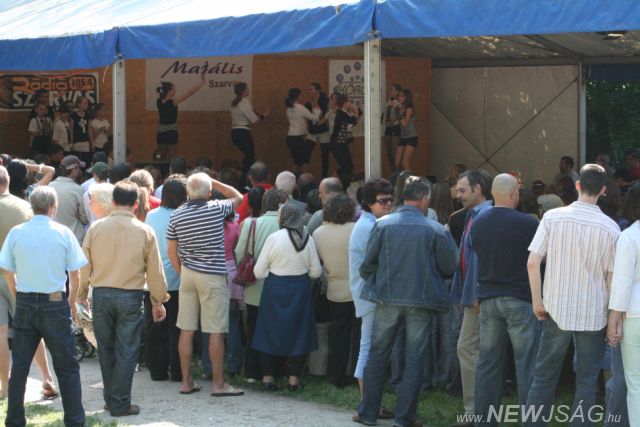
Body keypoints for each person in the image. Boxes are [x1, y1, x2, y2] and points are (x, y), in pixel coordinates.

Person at [355, 176, 458, 427]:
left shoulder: (382, 225)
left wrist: (379, 282)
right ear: (424, 199)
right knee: (415, 358)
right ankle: (404, 417)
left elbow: (367, 264)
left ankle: (368, 413)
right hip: (421, 301)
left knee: (378, 354)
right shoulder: (436, 229)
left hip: (387, 298)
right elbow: (450, 266)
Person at [526, 164, 620, 426]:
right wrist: (611, 317)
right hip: (593, 313)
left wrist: (537, 301)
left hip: (556, 308)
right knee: (587, 382)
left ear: (578, 185)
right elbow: (611, 279)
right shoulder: (611, 229)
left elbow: (533, 262)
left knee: (544, 377)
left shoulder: (552, 218)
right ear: (603, 190)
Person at [79, 181, 168, 416]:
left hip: (101, 294)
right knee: (127, 351)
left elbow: (84, 266)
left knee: (106, 349)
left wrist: (81, 294)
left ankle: (112, 399)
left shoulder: (95, 229)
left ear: (113, 201)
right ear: (136, 204)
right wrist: (158, 301)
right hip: (130, 296)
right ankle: (120, 402)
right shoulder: (144, 230)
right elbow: (155, 271)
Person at [0, 186, 87, 427]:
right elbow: (76, 273)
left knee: (20, 367)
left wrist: (17, 294)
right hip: (55, 301)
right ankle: (75, 421)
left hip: (26, 301)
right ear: (53, 207)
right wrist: (71, 301)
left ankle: (14, 420)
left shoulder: (17, 233)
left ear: (32, 206)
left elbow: (7, 271)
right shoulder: (63, 232)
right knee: (67, 367)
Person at [166, 173, 244, 396]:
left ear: (187, 192)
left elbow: (171, 252)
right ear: (209, 193)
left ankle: (186, 382)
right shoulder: (216, 208)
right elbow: (238, 197)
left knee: (186, 329)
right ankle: (219, 384)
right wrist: (214, 181)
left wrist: (182, 272)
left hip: (188, 275)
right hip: (213, 275)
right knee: (215, 331)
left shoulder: (177, 214)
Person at [471, 174, 540, 424]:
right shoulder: (528, 223)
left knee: (488, 363)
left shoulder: (478, 221)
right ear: (513, 194)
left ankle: (484, 420)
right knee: (527, 363)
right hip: (520, 299)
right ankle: (530, 420)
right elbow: (539, 261)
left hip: (489, 298)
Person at [0, 166, 61, 402]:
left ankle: (5, 386)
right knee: (32, 330)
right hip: (21, 276)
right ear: (8, 181)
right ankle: (46, 377)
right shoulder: (24, 207)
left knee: (1, 332)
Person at [252, 203, 322, 390]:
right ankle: (294, 380)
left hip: (275, 289)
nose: (277, 217)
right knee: (300, 332)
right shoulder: (308, 238)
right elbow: (316, 272)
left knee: (268, 331)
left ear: (285, 218)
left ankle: (268, 378)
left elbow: (258, 272)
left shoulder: (274, 238)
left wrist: (274, 273)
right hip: (300, 290)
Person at [349, 178, 394, 418]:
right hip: (370, 296)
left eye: (390, 200)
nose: (388, 204)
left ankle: (370, 404)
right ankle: (368, 405)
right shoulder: (368, 227)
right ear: (368, 203)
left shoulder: (370, 223)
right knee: (368, 347)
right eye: (383, 201)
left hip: (370, 294)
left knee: (371, 347)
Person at [450, 170, 492, 424]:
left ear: (478, 189)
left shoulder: (483, 216)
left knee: (467, 348)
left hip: (478, 297)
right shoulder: (472, 215)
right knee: (473, 350)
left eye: (463, 190)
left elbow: (479, 260)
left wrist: (473, 295)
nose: (458, 195)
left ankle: (475, 412)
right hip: (473, 296)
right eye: (457, 190)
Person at [235, 189, 289, 382]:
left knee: (254, 330)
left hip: (254, 287)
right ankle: (275, 372)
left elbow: (239, 253)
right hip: (280, 287)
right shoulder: (288, 225)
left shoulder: (251, 223)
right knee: (277, 331)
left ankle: (252, 372)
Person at [145, 175, 188, 382]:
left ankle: (157, 371)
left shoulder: (151, 215)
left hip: (153, 280)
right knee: (177, 328)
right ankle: (178, 372)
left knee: (154, 328)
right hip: (177, 279)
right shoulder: (182, 216)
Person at [313, 193, 357, 388]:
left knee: (338, 334)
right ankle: (356, 375)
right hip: (357, 289)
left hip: (334, 289)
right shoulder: (356, 229)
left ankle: (336, 375)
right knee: (359, 335)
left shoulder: (318, 233)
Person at [605, 182, 640, 427]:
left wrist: (613, 320)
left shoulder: (629, 236)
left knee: (635, 383)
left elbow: (622, 282)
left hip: (635, 314)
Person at [156, 72, 206, 161]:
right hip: (171, 132)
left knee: (160, 157)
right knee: (171, 157)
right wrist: (202, 82)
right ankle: (170, 169)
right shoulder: (173, 102)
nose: (175, 91)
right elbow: (189, 93)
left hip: (161, 132)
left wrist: (164, 85)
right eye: (174, 89)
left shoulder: (159, 101)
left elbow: (163, 94)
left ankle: (159, 169)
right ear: (169, 91)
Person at [230, 82, 269, 177]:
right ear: (243, 91)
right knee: (250, 156)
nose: (248, 90)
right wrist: (265, 114)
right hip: (243, 133)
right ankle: (243, 178)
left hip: (235, 133)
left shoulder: (234, 103)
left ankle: (242, 173)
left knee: (248, 156)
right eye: (247, 89)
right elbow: (255, 120)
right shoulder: (244, 103)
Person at [49, 155, 88, 243]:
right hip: (74, 237)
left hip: (54, 237)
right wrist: (79, 217)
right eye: (78, 168)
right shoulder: (78, 190)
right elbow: (85, 219)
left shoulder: (50, 185)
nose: (79, 170)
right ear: (74, 169)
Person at [285, 88, 320, 174]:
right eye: (300, 95)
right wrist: (317, 109)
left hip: (290, 137)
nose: (302, 96)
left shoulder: (289, 107)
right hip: (297, 138)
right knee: (302, 160)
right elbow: (315, 118)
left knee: (297, 162)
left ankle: (294, 180)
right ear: (298, 96)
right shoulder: (300, 107)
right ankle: (301, 179)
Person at [330, 93, 360, 188]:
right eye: (349, 102)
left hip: (342, 144)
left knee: (349, 166)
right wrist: (356, 111)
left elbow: (352, 123)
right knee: (344, 166)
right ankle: (330, 185)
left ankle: (345, 186)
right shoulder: (341, 113)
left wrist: (356, 113)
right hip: (336, 144)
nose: (350, 104)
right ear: (345, 103)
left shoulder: (344, 113)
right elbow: (353, 120)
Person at [305, 83, 330, 175]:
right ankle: (304, 176)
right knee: (306, 153)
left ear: (317, 90)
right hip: (312, 131)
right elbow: (307, 118)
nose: (309, 91)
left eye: (311, 89)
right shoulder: (308, 103)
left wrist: (314, 103)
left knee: (325, 155)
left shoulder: (325, 102)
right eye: (309, 89)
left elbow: (324, 115)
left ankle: (325, 177)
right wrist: (307, 129)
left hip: (323, 131)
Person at [395, 89, 417, 171]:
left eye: (402, 96)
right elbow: (395, 121)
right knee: (397, 163)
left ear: (407, 98)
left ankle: (412, 178)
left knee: (405, 163)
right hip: (403, 137)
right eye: (399, 96)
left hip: (411, 137)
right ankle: (403, 177)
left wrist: (398, 113)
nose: (399, 98)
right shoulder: (401, 108)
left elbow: (405, 124)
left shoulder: (409, 109)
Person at [384, 84, 402, 172]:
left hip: (395, 127)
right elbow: (386, 113)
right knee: (389, 153)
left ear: (397, 91)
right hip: (388, 127)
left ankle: (399, 174)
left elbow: (399, 115)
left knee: (395, 153)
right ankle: (393, 174)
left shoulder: (399, 102)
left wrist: (391, 122)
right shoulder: (388, 101)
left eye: (392, 90)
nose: (390, 91)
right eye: (390, 90)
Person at [70, 96, 93, 164]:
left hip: (85, 140)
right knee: (76, 160)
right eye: (85, 103)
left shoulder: (88, 115)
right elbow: (71, 130)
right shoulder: (73, 115)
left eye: (87, 103)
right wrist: (71, 142)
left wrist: (92, 143)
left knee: (85, 160)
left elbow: (89, 130)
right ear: (79, 104)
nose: (87, 105)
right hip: (76, 141)